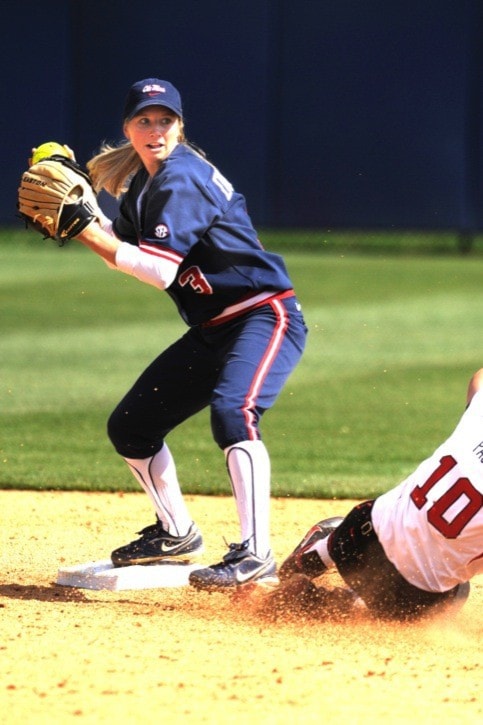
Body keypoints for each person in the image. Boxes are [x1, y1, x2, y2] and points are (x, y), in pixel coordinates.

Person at [70, 78, 307, 591]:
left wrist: (81, 229)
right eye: (144, 120)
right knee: (132, 425)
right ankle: (175, 532)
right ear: (127, 128)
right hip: (211, 329)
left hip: (262, 316)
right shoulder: (145, 186)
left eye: (165, 120)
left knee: (233, 411)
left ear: (180, 126)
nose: (155, 129)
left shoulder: (181, 177)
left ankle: (257, 553)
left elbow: (156, 271)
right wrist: (86, 220)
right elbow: (121, 245)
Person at [273, 369, 483, 620]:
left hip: (358, 533)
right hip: (407, 596)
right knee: (457, 591)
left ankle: (307, 559)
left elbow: (479, 378)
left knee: (373, 525)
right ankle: (340, 603)